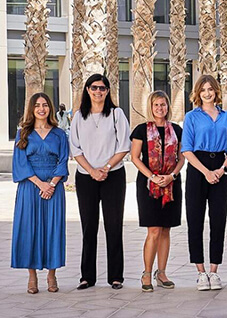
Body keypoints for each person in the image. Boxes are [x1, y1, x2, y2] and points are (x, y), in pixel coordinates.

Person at [69, 74, 131, 290]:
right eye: (94, 88)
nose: (98, 92)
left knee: (114, 226)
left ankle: (116, 277)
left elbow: (124, 145)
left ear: (107, 91)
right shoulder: (78, 116)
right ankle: (87, 277)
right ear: (87, 90)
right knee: (89, 227)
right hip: (86, 177)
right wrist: (92, 171)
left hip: (113, 176)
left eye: (102, 88)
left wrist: (105, 168)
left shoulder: (116, 114)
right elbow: (75, 149)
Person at [182, 75, 227, 291]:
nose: (207, 93)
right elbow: (186, 149)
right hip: (198, 169)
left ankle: (214, 271)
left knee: (218, 221)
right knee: (195, 221)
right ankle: (200, 272)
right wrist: (206, 172)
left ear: (216, 91)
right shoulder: (191, 117)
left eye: (210, 89)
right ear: (198, 92)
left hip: (221, 168)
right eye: (203, 89)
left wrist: (221, 169)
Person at [11, 93, 69, 294]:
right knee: (30, 229)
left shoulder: (59, 134)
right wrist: (40, 184)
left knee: (53, 228)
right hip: (30, 187)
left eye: (45, 105)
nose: (41, 109)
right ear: (32, 109)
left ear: (50, 108)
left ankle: (52, 275)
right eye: (37, 105)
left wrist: (51, 184)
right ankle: (32, 276)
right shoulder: (23, 133)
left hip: (54, 186)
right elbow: (20, 163)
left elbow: (63, 161)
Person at [130, 91, 184, 292]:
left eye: (163, 105)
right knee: (153, 230)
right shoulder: (141, 130)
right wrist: (152, 177)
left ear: (168, 107)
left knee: (166, 229)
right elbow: (135, 157)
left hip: (171, 184)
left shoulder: (177, 130)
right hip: (149, 185)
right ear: (150, 108)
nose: (160, 108)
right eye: (156, 105)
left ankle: (161, 273)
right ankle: (146, 273)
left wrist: (172, 176)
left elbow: (181, 158)